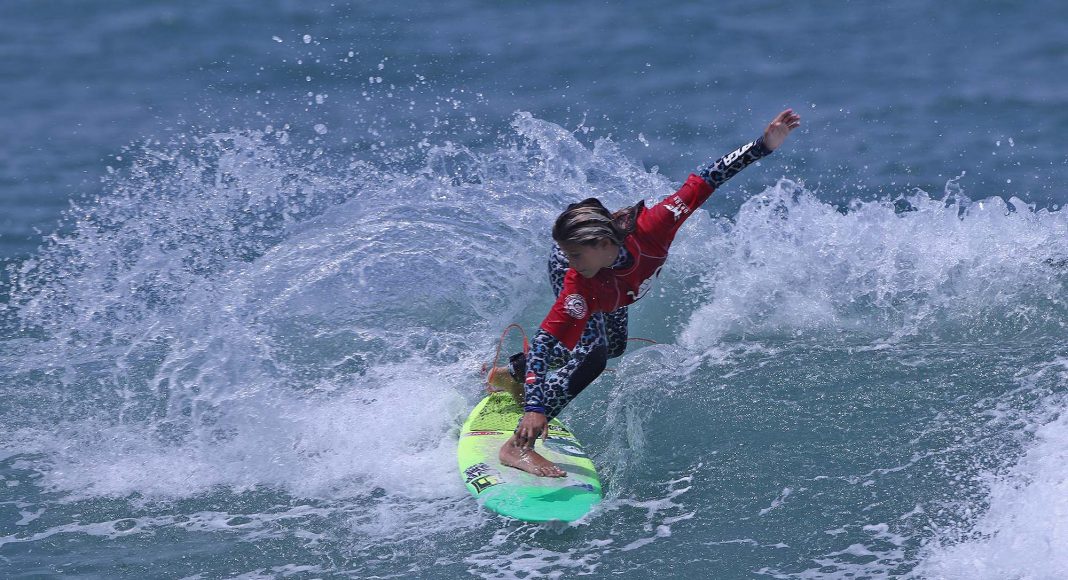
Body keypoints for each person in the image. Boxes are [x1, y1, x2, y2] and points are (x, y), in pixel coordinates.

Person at [488, 109, 802, 477]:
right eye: (568, 255)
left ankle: (511, 374)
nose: (570, 262)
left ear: (605, 244)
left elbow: (707, 179)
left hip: (614, 286)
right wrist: (536, 408)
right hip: (600, 288)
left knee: (614, 344)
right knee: (593, 356)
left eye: (576, 254)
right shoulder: (577, 278)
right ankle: (517, 446)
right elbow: (544, 341)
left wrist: (763, 146)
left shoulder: (656, 225)